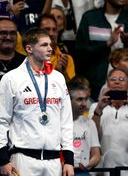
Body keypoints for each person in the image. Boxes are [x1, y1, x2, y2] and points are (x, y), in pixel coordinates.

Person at [0, 28, 74, 175]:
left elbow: (66, 122)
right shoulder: (11, 79)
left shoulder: (58, 78)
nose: (50, 48)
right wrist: (2, 160)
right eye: (44, 45)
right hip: (22, 159)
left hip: (54, 161)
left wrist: (69, 160)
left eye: (50, 44)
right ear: (29, 48)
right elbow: (2, 121)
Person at [90, 67, 128, 176]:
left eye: (121, 79)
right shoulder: (95, 107)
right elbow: (90, 139)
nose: (117, 81)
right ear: (107, 85)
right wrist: (99, 110)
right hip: (101, 172)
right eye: (113, 79)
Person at [68, 76, 101, 175]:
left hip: (83, 172)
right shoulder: (56, 123)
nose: (84, 104)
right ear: (68, 99)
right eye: (79, 99)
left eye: (86, 99)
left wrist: (89, 163)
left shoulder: (90, 123)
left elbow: (96, 154)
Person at [38, 14, 75, 81]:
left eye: (54, 30)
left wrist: (63, 73)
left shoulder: (66, 59)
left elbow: (71, 89)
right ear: (37, 32)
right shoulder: (30, 57)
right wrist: (55, 72)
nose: (51, 33)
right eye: (47, 29)